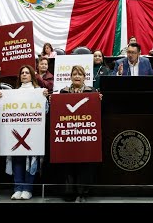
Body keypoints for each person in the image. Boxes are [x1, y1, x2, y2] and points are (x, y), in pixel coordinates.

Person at [5, 65, 49, 200]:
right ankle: (18, 188)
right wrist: (2, 98)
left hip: (33, 130)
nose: (24, 75)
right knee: (17, 158)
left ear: (31, 75)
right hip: (16, 129)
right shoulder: (12, 92)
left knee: (31, 159)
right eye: (22, 73)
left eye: (27, 72)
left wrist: (44, 98)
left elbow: (46, 111)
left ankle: (28, 188)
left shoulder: (39, 91)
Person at [59, 65, 100, 202]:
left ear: (84, 77)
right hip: (68, 133)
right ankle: (69, 192)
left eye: (80, 74)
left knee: (85, 163)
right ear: (70, 76)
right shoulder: (63, 92)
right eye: (74, 74)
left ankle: (83, 192)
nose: (77, 76)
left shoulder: (92, 91)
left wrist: (99, 100)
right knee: (68, 163)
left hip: (85, 133)